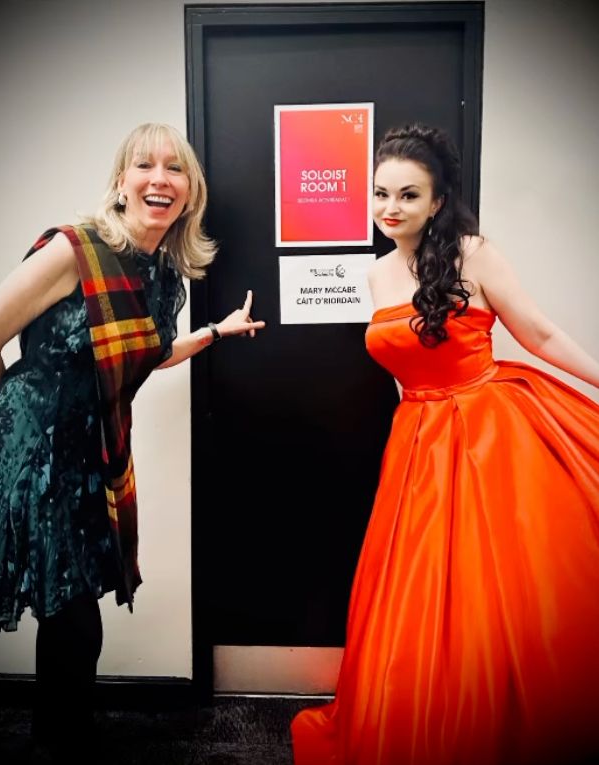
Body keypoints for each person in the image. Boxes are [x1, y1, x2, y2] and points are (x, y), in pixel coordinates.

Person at [291, 122, 599, 765]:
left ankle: (498, 722)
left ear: (436, 201)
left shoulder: (473, 252)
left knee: (499, 586)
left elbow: (538, 334)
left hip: (489, 428)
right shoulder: (376, 275)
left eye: (408, 195)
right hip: (417, 439)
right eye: (380, 194)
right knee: (421, 586)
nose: (390, 209)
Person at [0, 122, 264, 758]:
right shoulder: (72, 251)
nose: (159, 178)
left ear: (189, 194)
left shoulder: (165, 277)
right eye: (144, 166)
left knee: (72, 605)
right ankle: (64, 738)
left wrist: (215, 332)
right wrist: (20, 423)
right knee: (71, 610)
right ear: (120, 183)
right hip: (35, 450)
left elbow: (149, 354)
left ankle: (65, 733)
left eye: (175, 169)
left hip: (93, 453)